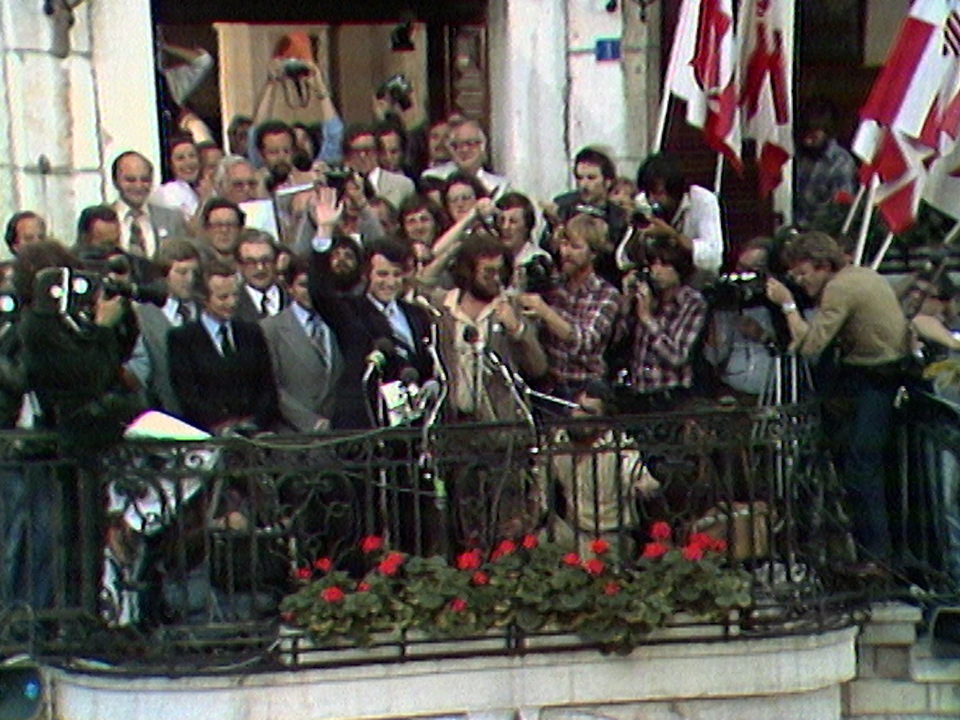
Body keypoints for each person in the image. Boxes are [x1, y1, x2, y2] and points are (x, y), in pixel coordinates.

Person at [765, 231, 911, 567]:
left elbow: (811, 346)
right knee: (859, 463)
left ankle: (877, 558)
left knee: (861, 468)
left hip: (877, 380)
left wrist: (788, 306)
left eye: (803, 274)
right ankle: (872, 554)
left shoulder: (840, 288)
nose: (801, 282)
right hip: (869, 376)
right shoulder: (859, 275)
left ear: (823, 266)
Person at [307, 188, 434, 429]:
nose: (390, 282)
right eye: (382, 274)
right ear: (367, 274)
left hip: (412, 427)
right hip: (366, 424)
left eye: (397, 275)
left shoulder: (417, 314)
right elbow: (320, 292)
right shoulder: (351, 311)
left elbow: (427, 363)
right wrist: (324, 231)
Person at [167, 260, 279, 435]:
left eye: (235, 295)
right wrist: (222, 425)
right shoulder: (183, 339)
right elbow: (187, 394)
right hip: (209, 435)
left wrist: (254, 422)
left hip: (254, 435)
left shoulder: (251, 333)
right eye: (223, 297)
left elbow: (267, 386)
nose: (232, 303)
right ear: (204, 299)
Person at [518, 213, 621, 400]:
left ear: (593, 253)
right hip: (548, 386)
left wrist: (546, 312)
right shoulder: (554, 285)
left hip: (583, 388)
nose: (566, 252)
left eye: (575, 247)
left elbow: (585, 341)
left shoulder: (607, 295)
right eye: (564, 244)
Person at [620, 237, 708, 410]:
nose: (656, 271)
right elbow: (618, 338)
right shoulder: (648, 297)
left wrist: (647, 318)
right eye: (654, 264)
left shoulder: (692, 302)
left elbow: (677, 356)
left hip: (670, 396)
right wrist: (626, 301)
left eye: (664, 265)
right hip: (638, 393)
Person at [260, 256, 342, 433]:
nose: (312, 291)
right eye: (304, 285)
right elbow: (272, 386)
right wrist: (310, 422)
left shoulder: (339, 324)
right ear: (290, 288)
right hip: (293, 438)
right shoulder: (271, 328)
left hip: (338, 438)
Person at [125, 238, 202, 416]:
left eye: (194, 273)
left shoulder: (206, 311)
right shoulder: (143, 317)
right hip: (166, 415)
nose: (190, 280)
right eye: (182, 273)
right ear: (164, 275)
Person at [546, 147, 628, 286]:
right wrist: (553, 225)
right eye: (579, 178)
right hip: (564, 283)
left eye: (591, 178)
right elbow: (547, 249)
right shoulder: (564, 205)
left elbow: (614, 257)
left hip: (604, 284)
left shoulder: (618, 216)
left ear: (607, 181)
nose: (583, 184)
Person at [635, 153, 724, 278]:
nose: (652, 199)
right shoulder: (643, 202)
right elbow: (624, 260)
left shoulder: (703, 200)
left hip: (697, 277)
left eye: (658, 193)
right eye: (648, 193)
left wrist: (672, 235)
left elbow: (713, 257)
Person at [793, 98, 858, 230]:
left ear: (826, 132)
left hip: (824, 233)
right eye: (804, 135)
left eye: (813, 136)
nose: (807, 142)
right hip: (793, 229)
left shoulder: (841, 162)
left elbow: (840, 209)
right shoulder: (798, 157)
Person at [111, 151, 189, 258]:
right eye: (130, 180)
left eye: (145, 180)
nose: (139, 186)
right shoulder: (102, 219)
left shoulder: (172, 219)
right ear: (115, 181)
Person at [421, 117, 510, 198]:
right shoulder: (433, 178)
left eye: (470, 143)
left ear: (482, 147)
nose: (464, 149)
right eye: (457, 145)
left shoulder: (500, 185)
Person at [343, 123, 415, 210]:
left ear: (378, 152)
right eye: (356, 151)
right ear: (348, 156)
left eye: (367, 150)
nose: (363, 156)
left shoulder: (402, 185)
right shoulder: (342, 186)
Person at [233, 230, 289, 322]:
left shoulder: (293, 298)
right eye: (251, 262)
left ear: (276, 261)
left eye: (266, 260)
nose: (260, 268)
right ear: (239, 265)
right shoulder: (233, 305)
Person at [151, 135, 202, 221]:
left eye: (192, 156)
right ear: (171, 164)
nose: (188, 162)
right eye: (180, 158)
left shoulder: (201, 190)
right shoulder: (171, 191)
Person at [198, 198, 245, 267]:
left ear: (240, 229)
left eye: (230, 224)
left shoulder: (249, 264)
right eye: (218, 225)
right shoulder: (197, 264)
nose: (224, 230)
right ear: (206, 229)